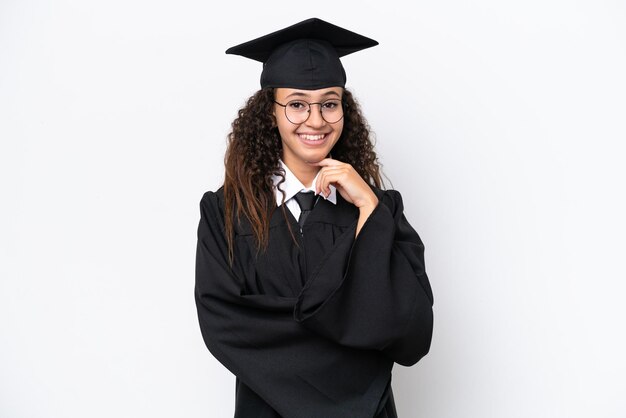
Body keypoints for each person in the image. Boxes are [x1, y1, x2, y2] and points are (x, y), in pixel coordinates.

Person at [195, 17, 434, 418]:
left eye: (329, 102)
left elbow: (410, 331)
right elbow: (227, 327)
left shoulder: (379, 208)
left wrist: (369, 211)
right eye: (296, 105)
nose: (316, 120)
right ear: (269, 112)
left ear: (344, 108)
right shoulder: (226, 212)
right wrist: (351, 333)